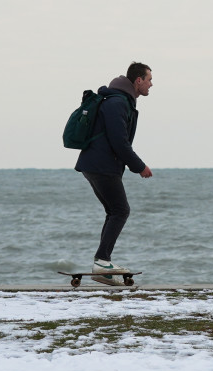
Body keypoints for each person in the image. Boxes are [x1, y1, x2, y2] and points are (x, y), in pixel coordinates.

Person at [75, 62, 153, 285]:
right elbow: (119, 141)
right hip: (101, 165)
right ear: (138, 80)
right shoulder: (118, 102)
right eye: (149, 79)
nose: (151, 84)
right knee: (120, 210)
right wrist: (140, 167)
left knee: (114, 211)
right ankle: (102, 262)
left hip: (98, 165)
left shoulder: (122, 101)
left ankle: (103, 261)